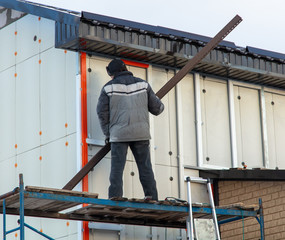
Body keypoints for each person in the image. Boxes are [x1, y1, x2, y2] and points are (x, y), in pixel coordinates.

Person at [96, 59, 164, 201]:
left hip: (119, 134)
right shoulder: (143, 84)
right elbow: (157, 109)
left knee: (117, 168)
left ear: (111, 73)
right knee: (145, 168)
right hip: (141, 133)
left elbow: (102, 113)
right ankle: (151, 196)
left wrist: (108, 133)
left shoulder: (108, 88)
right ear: (125, 68)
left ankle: (115, 195)